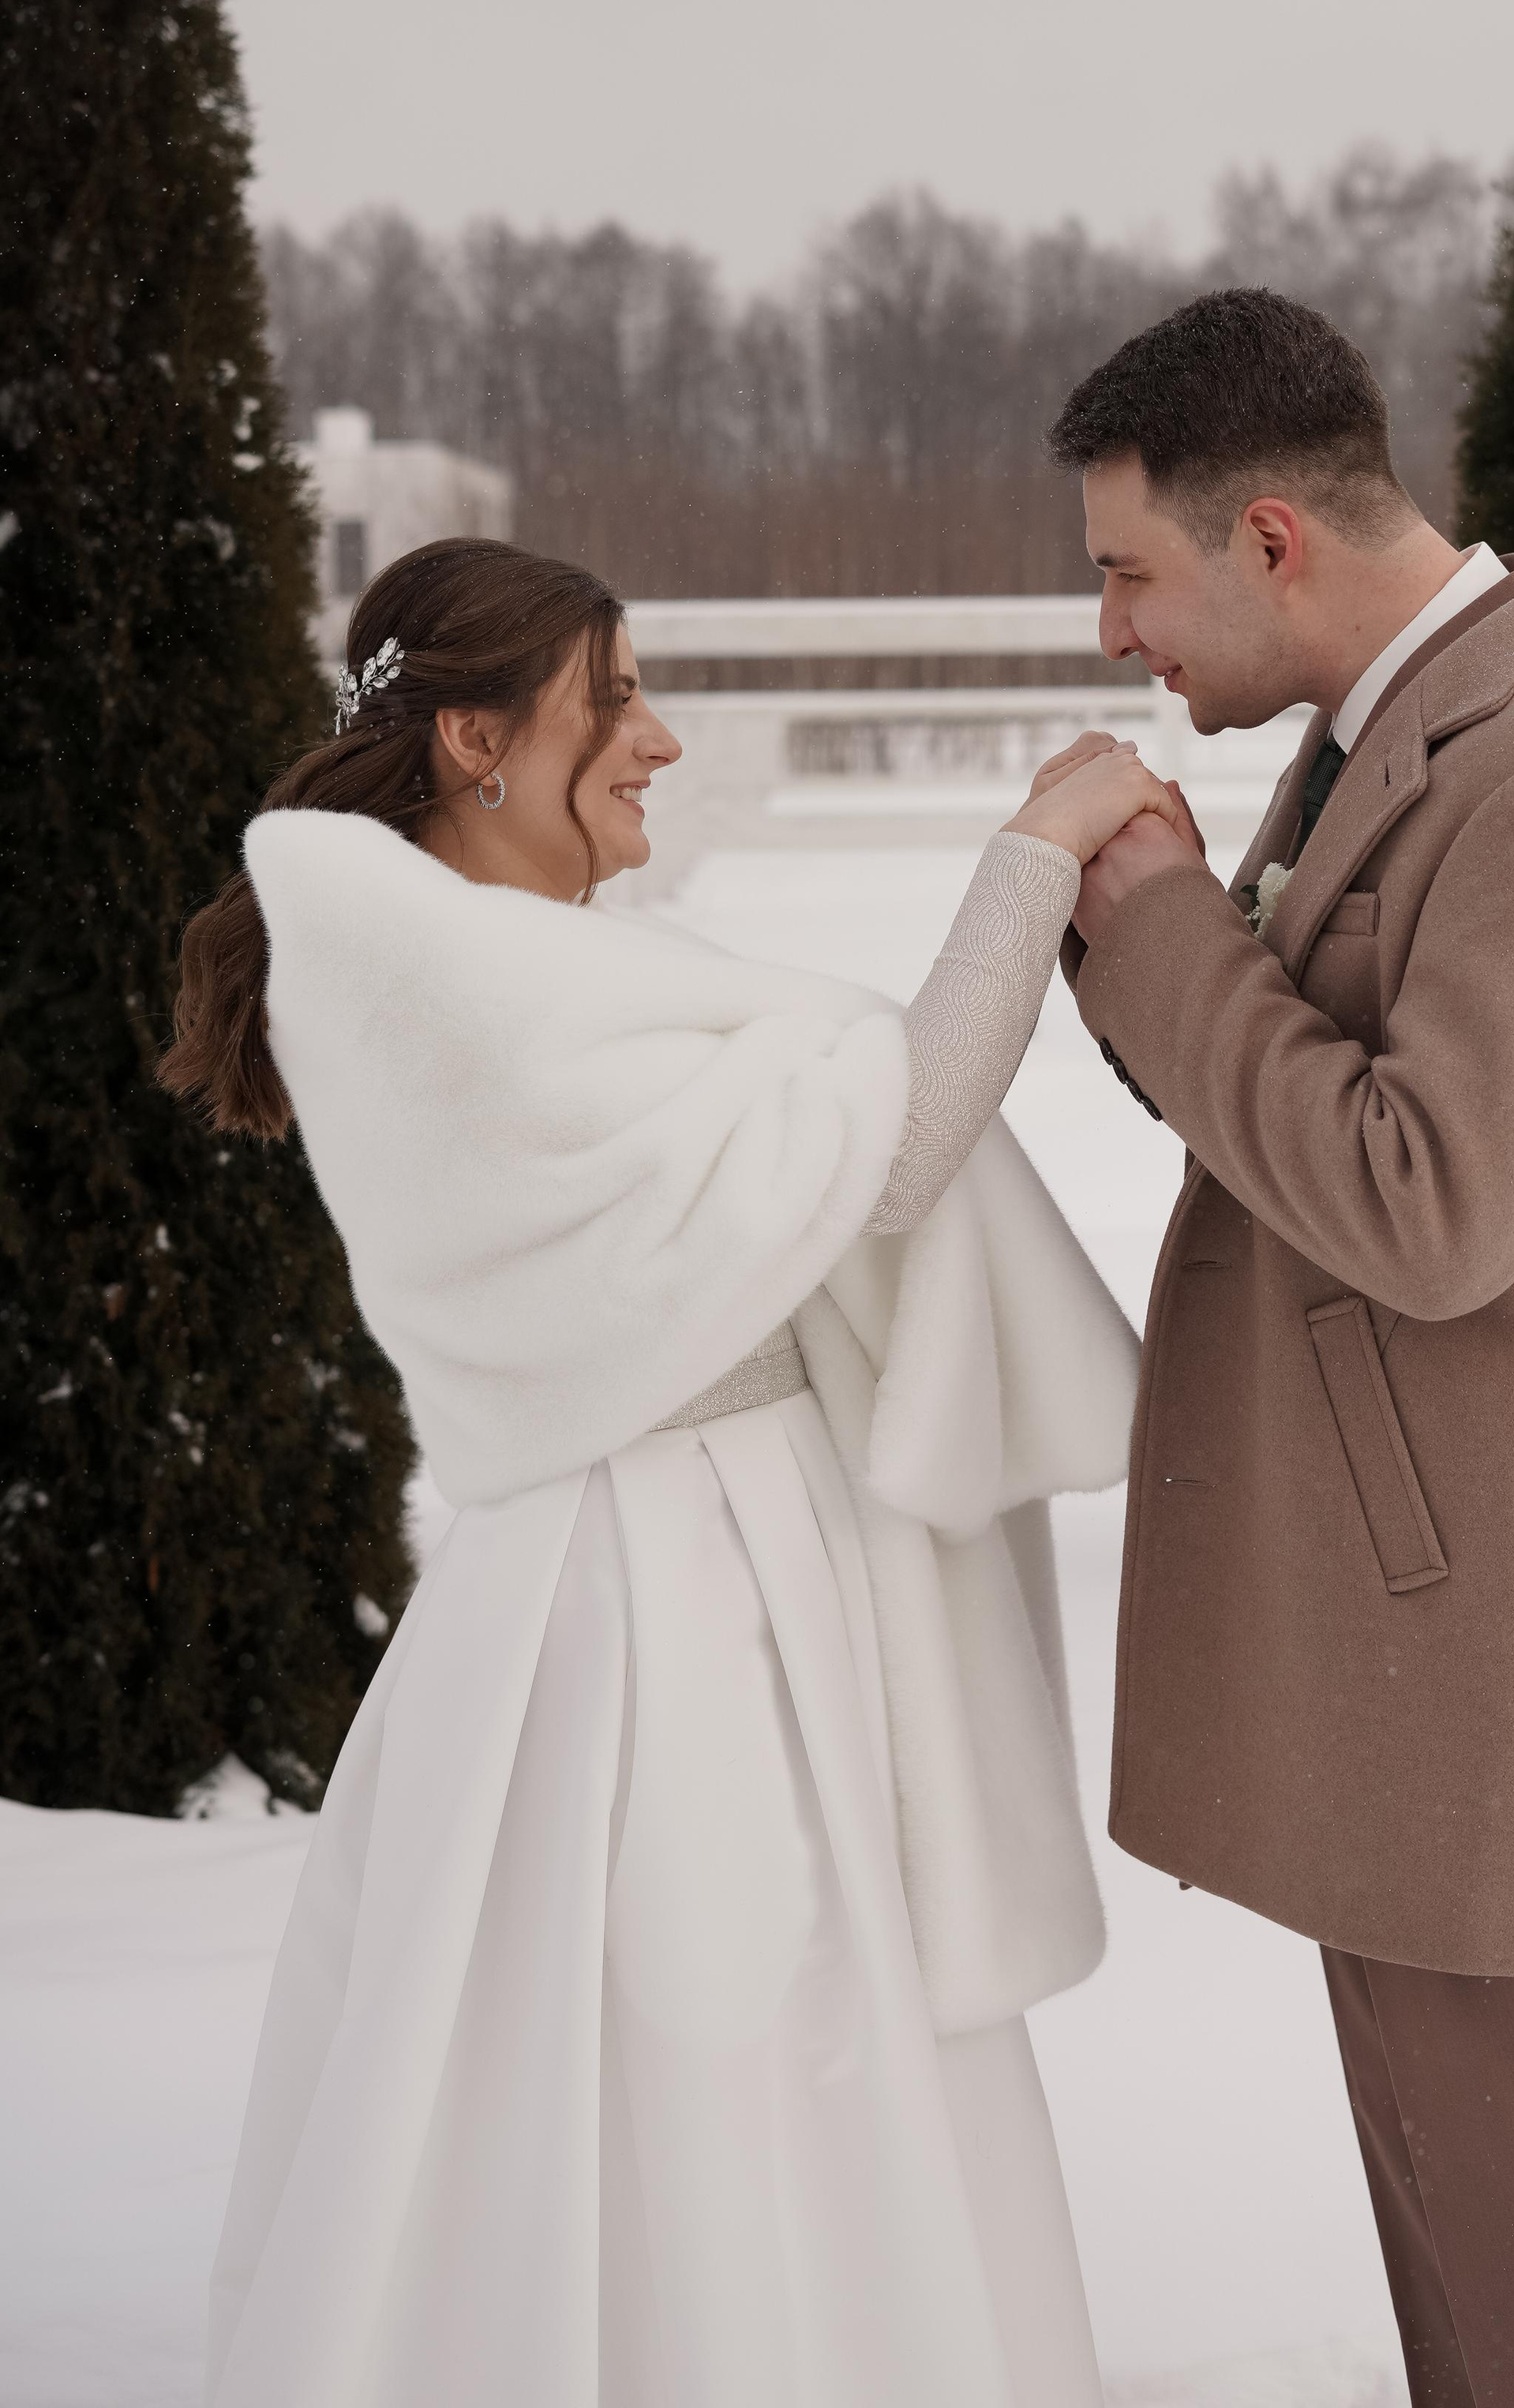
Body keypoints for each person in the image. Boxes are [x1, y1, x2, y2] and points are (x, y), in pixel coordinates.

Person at [159, 534, 1175, 2408]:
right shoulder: (465, 999)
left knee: (703, 2056)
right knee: (731, 2046)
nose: (659, 740)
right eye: (608, 697)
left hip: (680, 1572)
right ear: (474, 739)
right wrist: (1034, 864)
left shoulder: (519, 970)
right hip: (662, 1616)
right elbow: (870, 1153)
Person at [1042, 290, 1514, 2408]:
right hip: (1427, 1674)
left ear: (1270, 539)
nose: (1111, 633)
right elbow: (1289, 1093)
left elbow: (1426, 1203)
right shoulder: (1397, 730)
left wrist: (1167, 925)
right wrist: (1158, 933)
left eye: (1126, 571)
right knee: (1490, 2335)